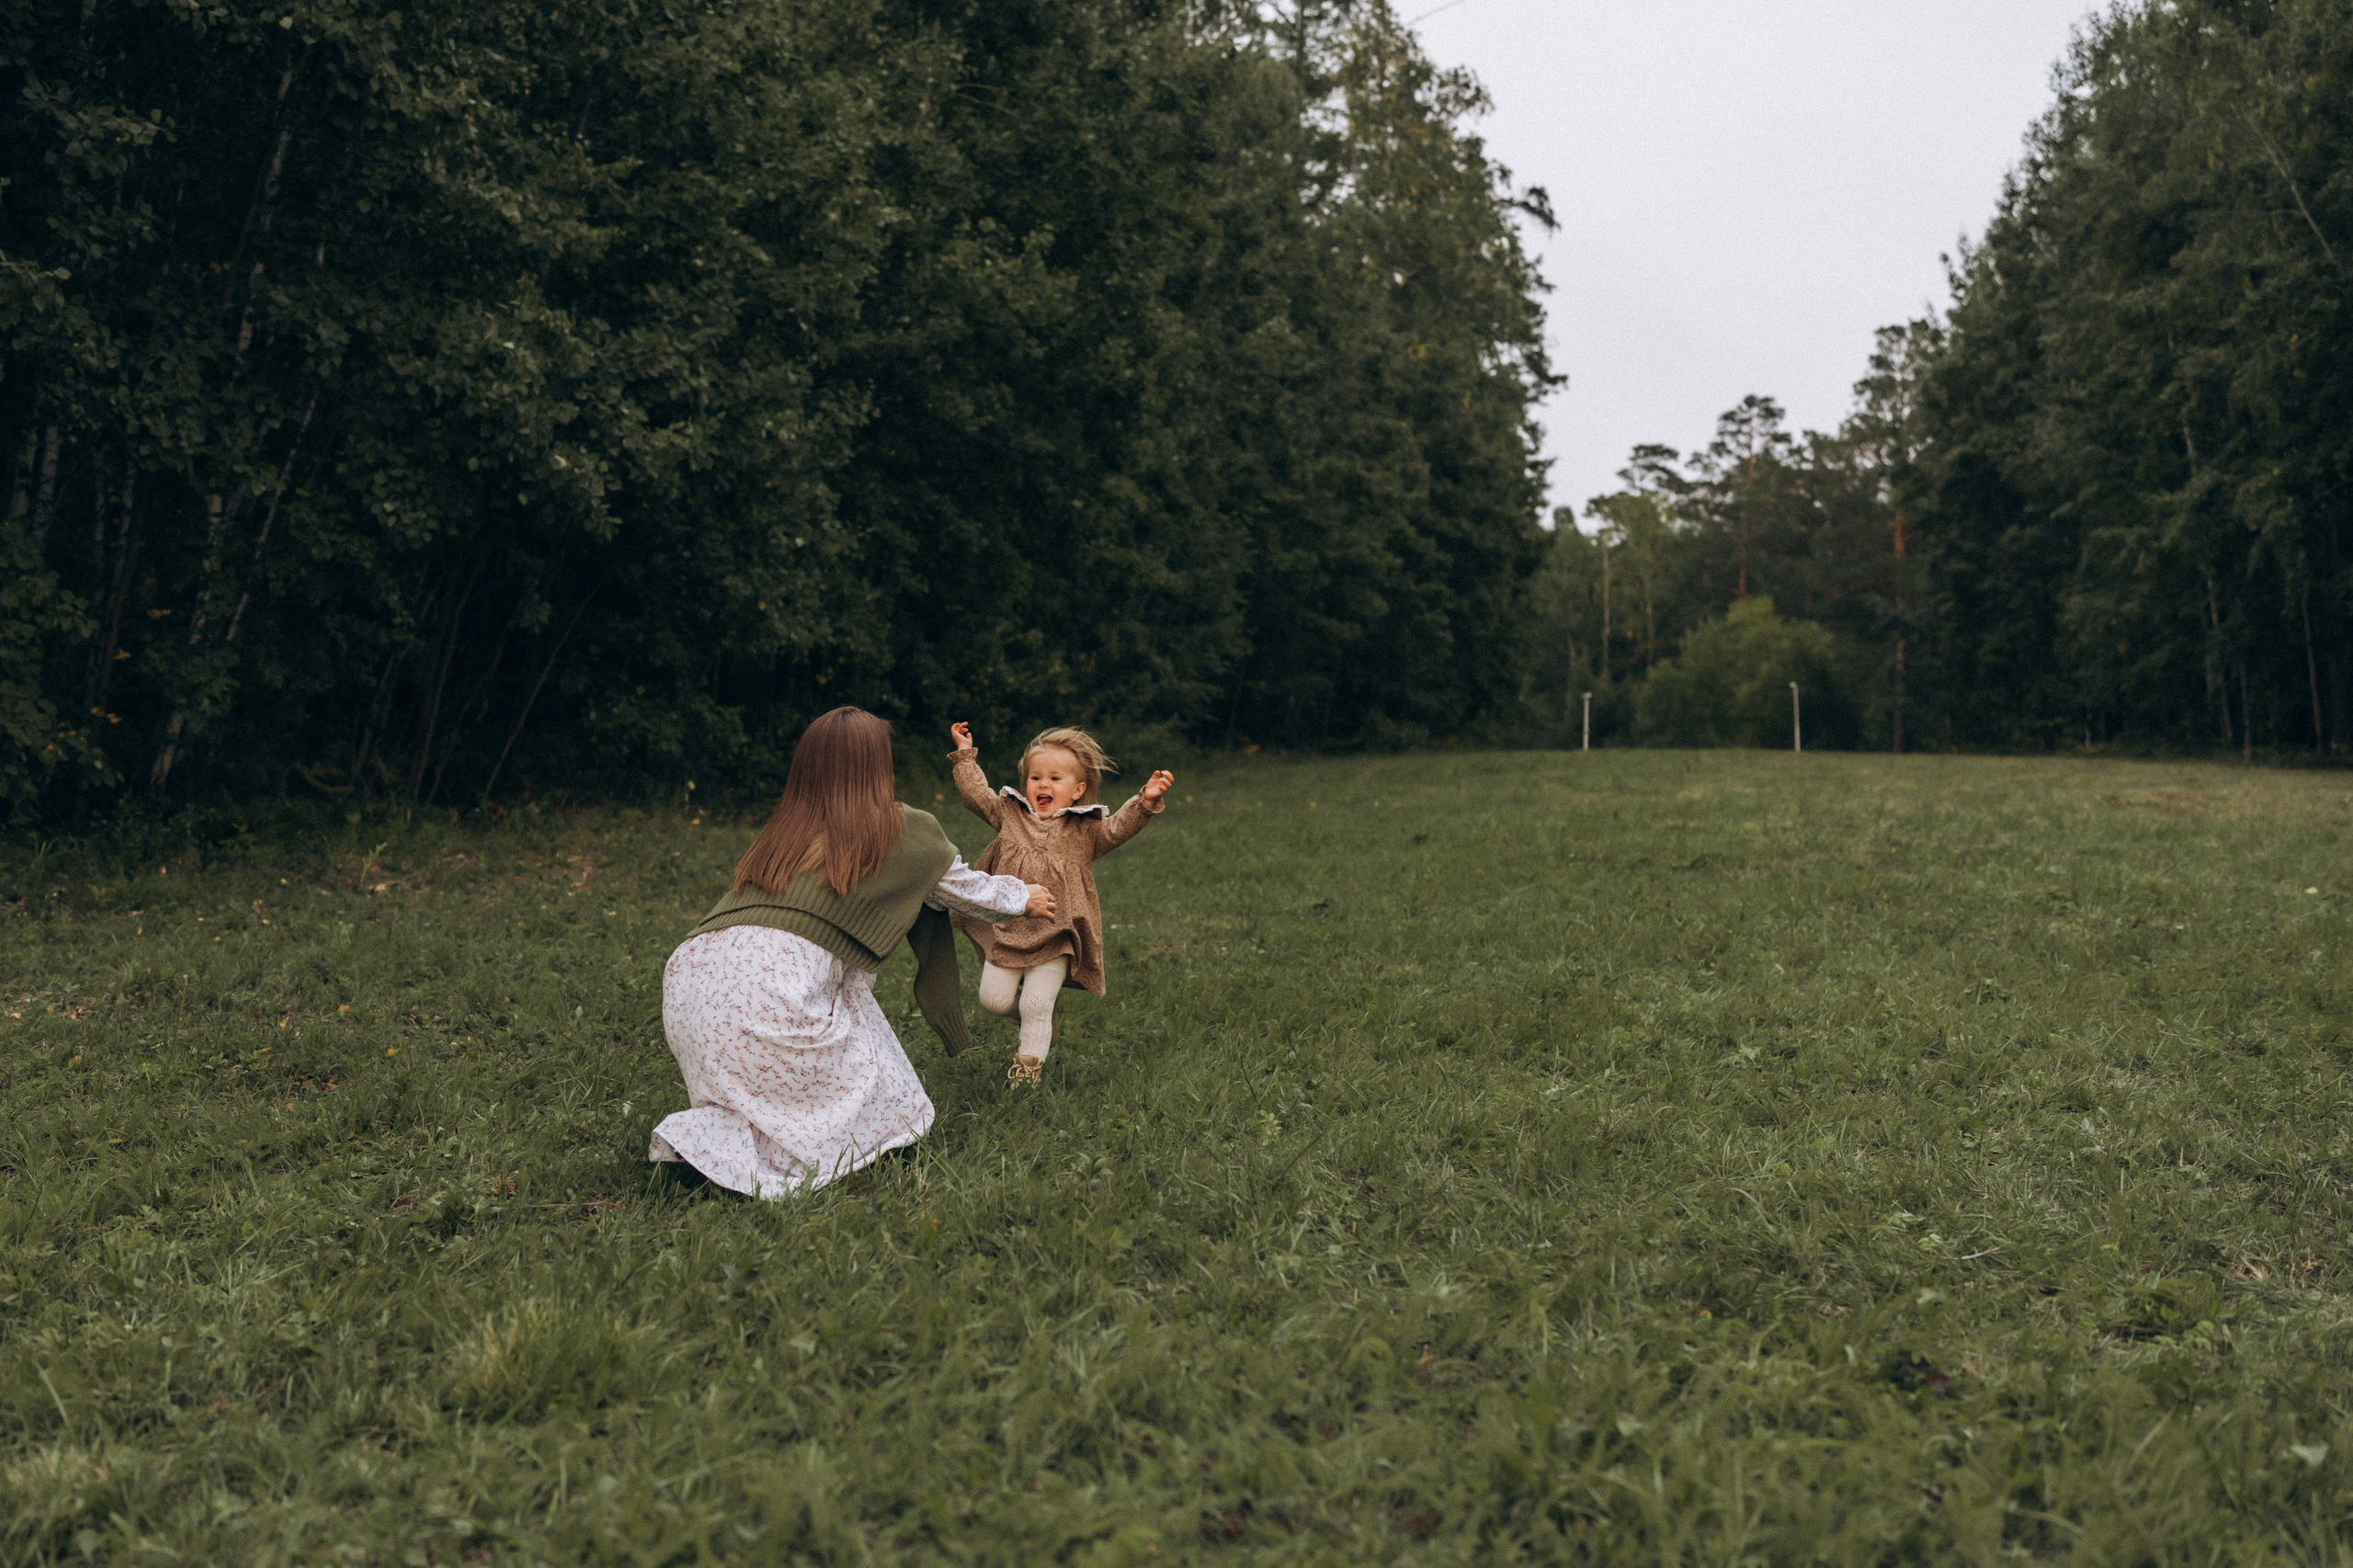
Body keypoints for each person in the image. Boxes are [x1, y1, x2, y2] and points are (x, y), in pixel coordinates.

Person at [649, 707, 1052, 1197]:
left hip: (689, 987)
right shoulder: (903, 827)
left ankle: (711, 1150)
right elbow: (960, 889)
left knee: (754, 1089)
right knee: (879, 1072)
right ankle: (852, 1152)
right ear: (879, 766)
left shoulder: (784, 832)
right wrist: (1022, 897)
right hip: (770, 993)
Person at [946, 722, 1175, 1085]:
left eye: (1055, 778)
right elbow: (977, 795)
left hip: (1058, 930)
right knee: (993, 1000)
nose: (1043, 785)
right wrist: (965, 755)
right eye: (1036, 777)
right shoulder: (1010, 814)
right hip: (1010, 927)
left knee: (1035, 1003)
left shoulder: (1086, 830)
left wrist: (1144, 803)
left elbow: (1117, 828)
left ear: (1078, 790)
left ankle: (1026, 1076)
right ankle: (1035, 1017)